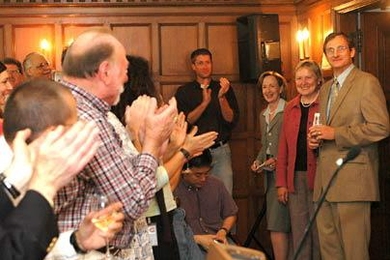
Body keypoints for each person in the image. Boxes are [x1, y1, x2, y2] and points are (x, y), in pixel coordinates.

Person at [55, 27, 178, 257]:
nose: (127, 77)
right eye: (124, 69)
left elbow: (112, 181)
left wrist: (144, 141)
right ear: (105, 71)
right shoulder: (88, 119)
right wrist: (151, 141)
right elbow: (132, 202)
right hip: (84, 251)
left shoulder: (75, 107)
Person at [2, 78, 125, 259]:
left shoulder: (18, 171)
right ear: (52, 133)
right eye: (74, 124)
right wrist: (45, 184)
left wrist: (77, 242)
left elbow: (10, 244)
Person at [110, 55, 217, 260]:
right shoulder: (124, 128)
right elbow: (149, 182)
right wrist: (183, 151)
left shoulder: (136, 125)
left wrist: (177, 148)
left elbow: (160, 176)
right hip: (146, 220)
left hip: (163, 213)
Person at [308, 32, 390, 260]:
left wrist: (336, 134)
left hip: (353, 181)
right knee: (330, 251)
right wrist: (316, 139)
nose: (335, 54)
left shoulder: (367, 82)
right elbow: (326, 129)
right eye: (330, 50)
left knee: (354, 252)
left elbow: (381, 127)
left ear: (352, 52)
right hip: (325, 182)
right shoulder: (325, 89)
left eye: (341, 48)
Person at [175, 48, 239, 194]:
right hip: (196, 153)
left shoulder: (223, 88)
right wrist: (204, 103)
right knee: (198, 197)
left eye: (208, 62)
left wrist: (221, 98)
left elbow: (231, 119)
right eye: (200, 63)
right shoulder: (184, 91)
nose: (205, 66)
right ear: (193, 66)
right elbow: (186, 121)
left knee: (225, 194)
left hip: (221, 150)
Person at [276, 60, 322, 260]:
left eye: (308, 77)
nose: (304, 82)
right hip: (294, 178)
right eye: (299, 78)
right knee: (299, 232)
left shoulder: (326, 103)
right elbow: (283, 147)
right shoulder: (290, 107)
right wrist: (281, 183)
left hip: (320, 176)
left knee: (320, 232)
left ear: (318, 80)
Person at [251, 71, 290, 260]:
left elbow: (291, 144)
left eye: (272, 86)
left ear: (281, 88)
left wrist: (278, 160)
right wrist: (258, 161)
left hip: (286, 175)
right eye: (265, 87)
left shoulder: (289, 110)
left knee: (279, 225)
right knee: (277, 224)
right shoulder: (263, 114)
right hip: (269, 176)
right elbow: (265, 145)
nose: (268, 90)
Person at [173, 149, 238, 256]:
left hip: (218, 240)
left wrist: (223, 231)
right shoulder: (174, 189)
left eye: (206, 173)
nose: (203, 179)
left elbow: (231, 213)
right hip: (189, 244)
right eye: (198, 175)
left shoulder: (216, 184)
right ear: (184, 171)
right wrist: (197, 239)